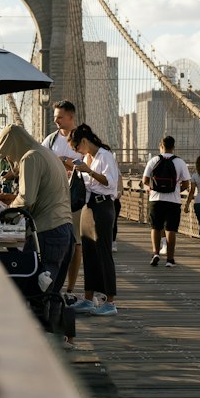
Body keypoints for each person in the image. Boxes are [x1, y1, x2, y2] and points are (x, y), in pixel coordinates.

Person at [0, 124, 75, 296]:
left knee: (35, 289)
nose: (8, 157)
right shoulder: (47, 154)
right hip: (64, 228)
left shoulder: (30, 158)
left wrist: (5, 214)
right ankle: (53, 321)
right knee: (51, 290)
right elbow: (44, 193)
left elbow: (27, 199)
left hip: (46, 230)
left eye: (8, 152)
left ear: (14, 145)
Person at [68, 123, 120, 316]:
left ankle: (110, 302)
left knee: (104, 253)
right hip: (88, 208)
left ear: (84, 141)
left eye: (76, 147)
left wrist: (88, 171)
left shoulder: (105, 155)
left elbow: (110, 181)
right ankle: (88, 298)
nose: (76, 151)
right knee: (88, 252)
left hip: (103, 206)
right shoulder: (86, 157)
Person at [42, 101, 85, 293]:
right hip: (52, 197)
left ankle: (71, 287)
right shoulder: (50, 140)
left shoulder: (83, 138)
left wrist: (64, 161)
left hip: (74, 196)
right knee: (55, 239)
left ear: (71, 117)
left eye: (60, 117)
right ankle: (54, 283)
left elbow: (90, 162)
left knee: (75, 243)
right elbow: (40, 160)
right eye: (54, 117)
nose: (56, 121)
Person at [143, 136, 193, 267]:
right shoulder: (180, 162)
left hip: (155, 199)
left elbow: (145, 180)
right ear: (173, 147)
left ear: (161, 146)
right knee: (171, 229)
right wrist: (176, 190)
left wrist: (153, 189)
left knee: (155, 227)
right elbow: (187, 183)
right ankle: (170, 260)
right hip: (173, 200)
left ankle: (155, 253)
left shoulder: (153, 160)